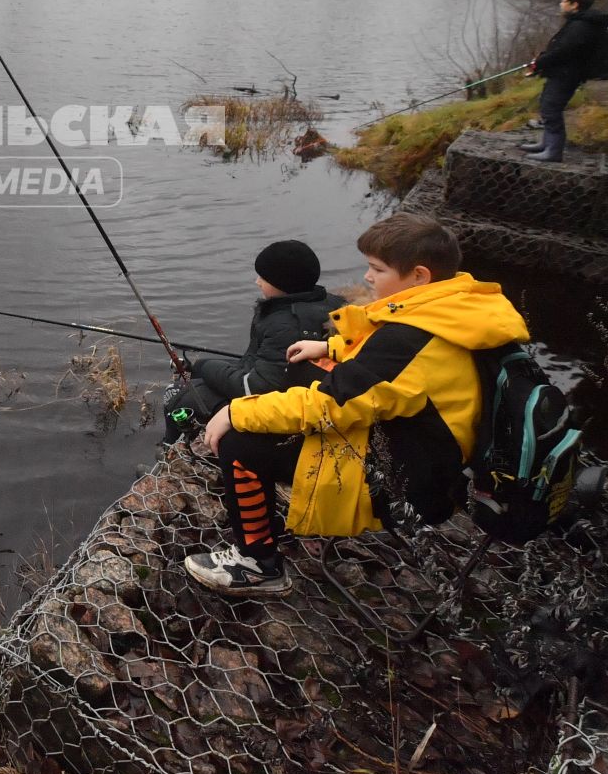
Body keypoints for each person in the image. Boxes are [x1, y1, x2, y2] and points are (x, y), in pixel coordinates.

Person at [181, 213, 529, 596]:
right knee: (304, 375)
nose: (367, 278)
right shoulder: (460, 308)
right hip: (438, 454)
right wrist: (332, 347)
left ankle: (257, 565)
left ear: (419, 276)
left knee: (241, 442)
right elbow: (397, 368)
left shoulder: (411, 341)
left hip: (409, 484)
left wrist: (236, 410)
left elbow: (330, 404)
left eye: (377, 269)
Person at [159, 240, 342, 445]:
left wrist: (203, 366)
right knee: (198, 373)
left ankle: (170, 449)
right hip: (299, 395)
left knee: (176, 395)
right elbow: (264, 364)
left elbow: (255, 389)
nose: (257, 282)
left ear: (282, 284)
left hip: (278, 410)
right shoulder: (330, 302)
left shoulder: (286, 324)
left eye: (263, 278)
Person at [522, 0, 608, 164]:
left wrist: (540, 63)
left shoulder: (581, 26)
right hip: (561, 73)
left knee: (551, 109)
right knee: (546, 104)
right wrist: (541, 62)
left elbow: (564, 52)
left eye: (564, 2)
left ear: (574, 5)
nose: (561, 5)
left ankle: (553, 151)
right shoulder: (578, 23)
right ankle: (546, 144)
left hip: (567, 75)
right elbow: (560, 49)